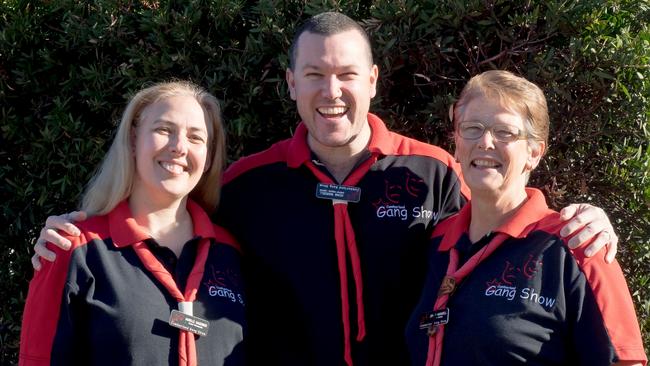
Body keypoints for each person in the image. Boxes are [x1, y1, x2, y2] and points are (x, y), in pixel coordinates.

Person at [31, 12, 620, 366]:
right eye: (313, 74)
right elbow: (163, 219)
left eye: (345, 75)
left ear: (372, 82)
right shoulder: (248, 185)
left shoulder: (438, 171)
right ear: (291, 83)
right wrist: (80, 230)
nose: (330, 90)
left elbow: (506, 229)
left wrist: (583, 220)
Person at [405, 70, 647, 366]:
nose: (485, 142)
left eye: (504, 132)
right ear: (456, 142)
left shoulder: (578, 246)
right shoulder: (437, 243)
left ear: (534, 152)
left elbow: (624, 362)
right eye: (472, 128)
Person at [20, 81, 246, 366]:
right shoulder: (73, 248)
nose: (179, 147)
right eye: (164, 130)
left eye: (195, 138)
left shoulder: (230, 251)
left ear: (209, 156)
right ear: (133, 140)